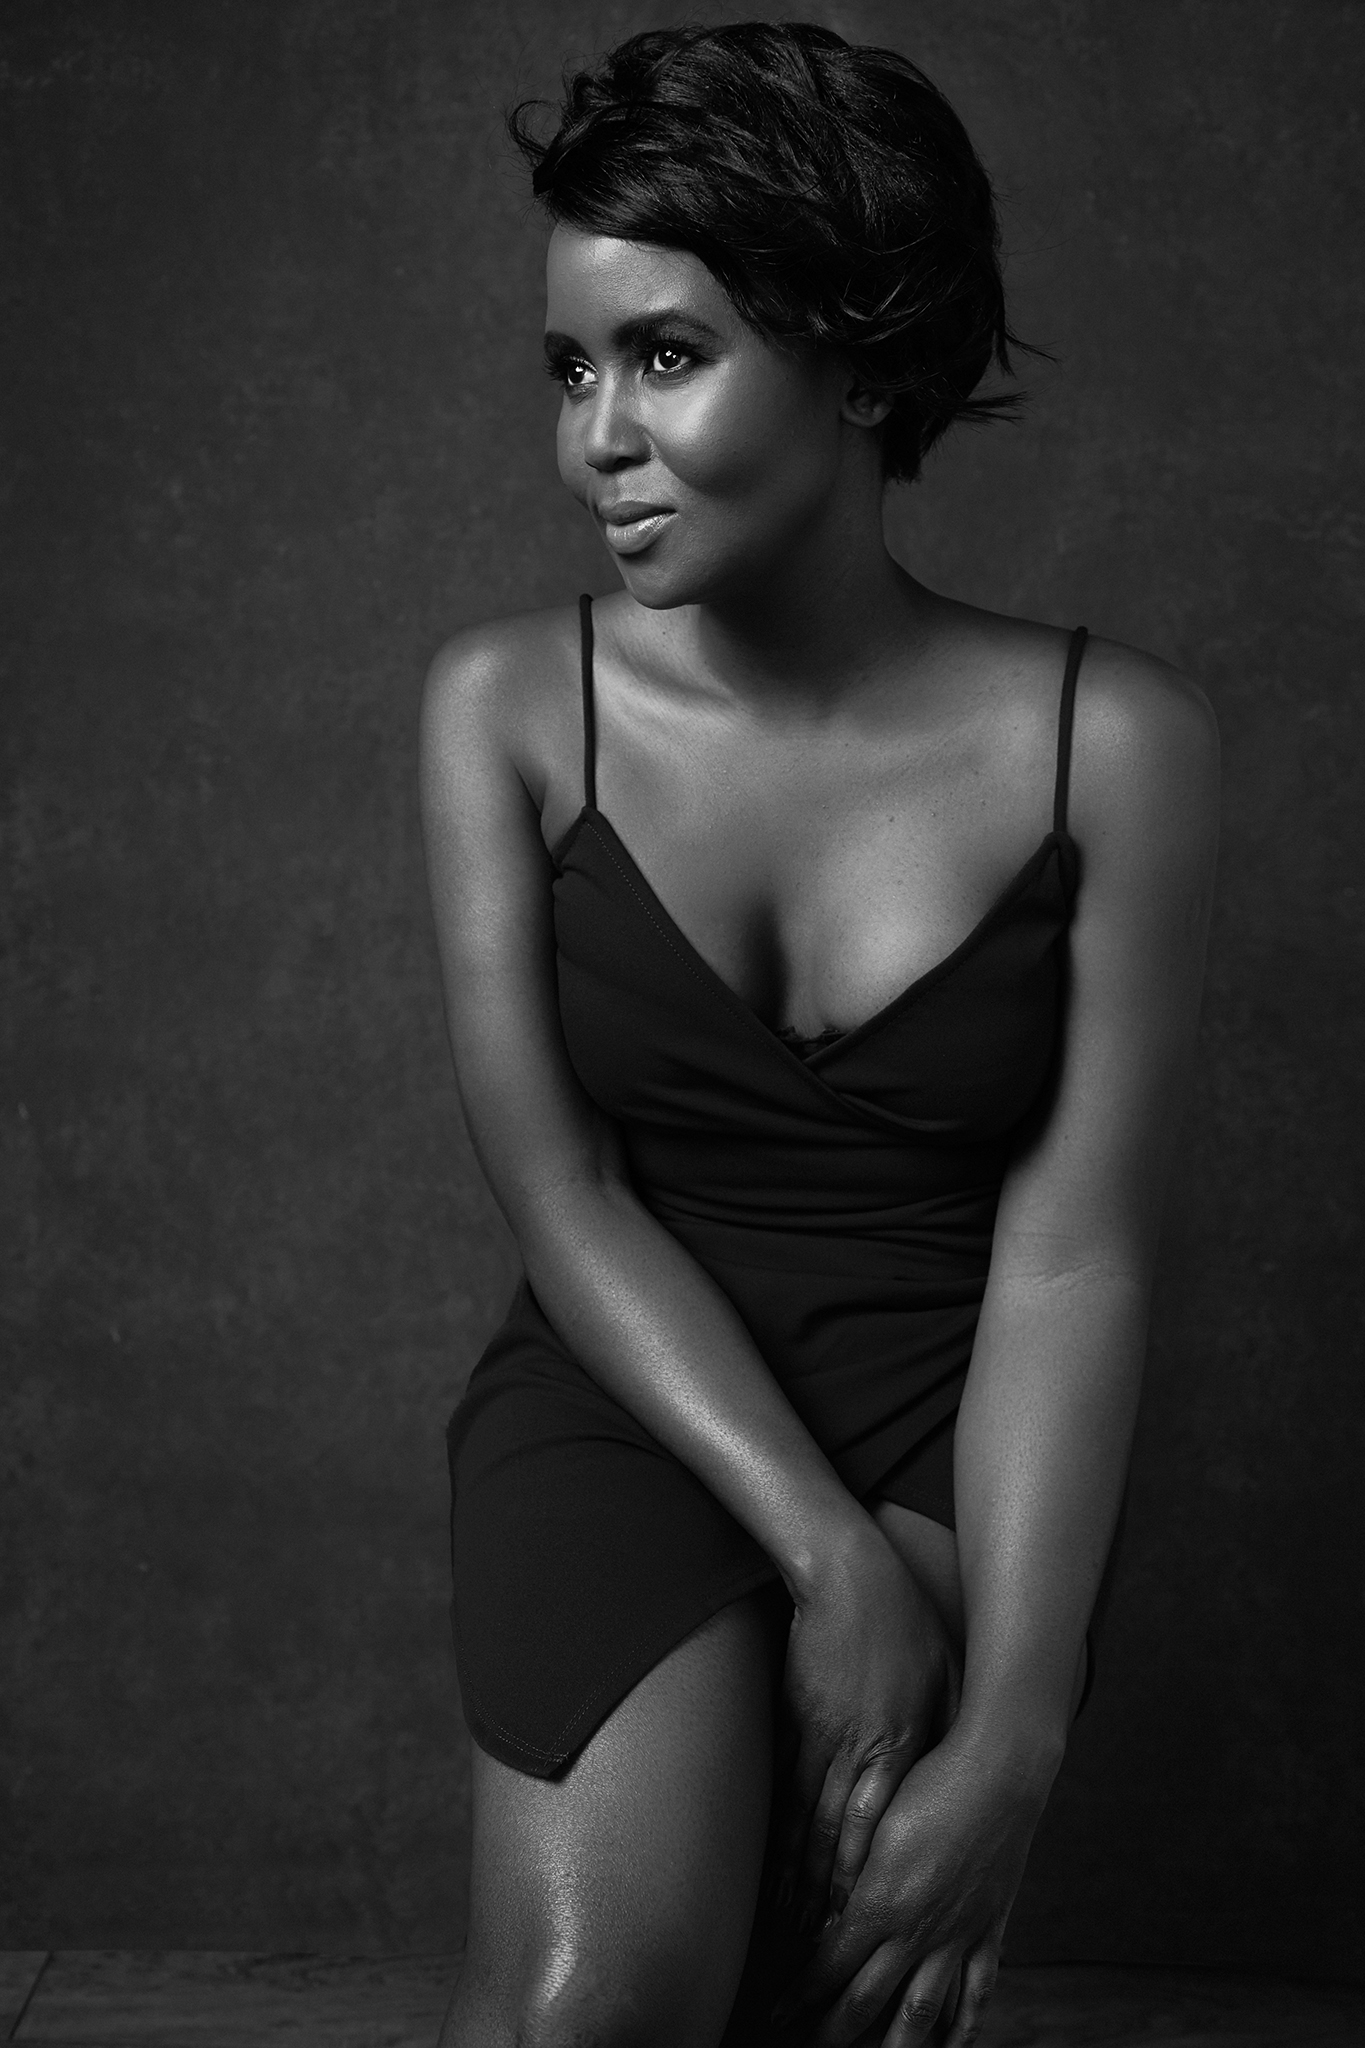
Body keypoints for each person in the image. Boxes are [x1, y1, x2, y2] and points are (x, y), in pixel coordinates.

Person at [418, 22, 1218, 2047]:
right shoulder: (503, 710)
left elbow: (1073, 1252)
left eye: (665, 356)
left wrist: (1015, 1734)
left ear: (862, 362)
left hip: (954, 1415)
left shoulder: (1111, 744)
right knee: (593, 2018)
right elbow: (562, 1193)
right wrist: (816, 1557)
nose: (595, 437)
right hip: (632, 1387)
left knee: (833, 2001)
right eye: (569, 369)